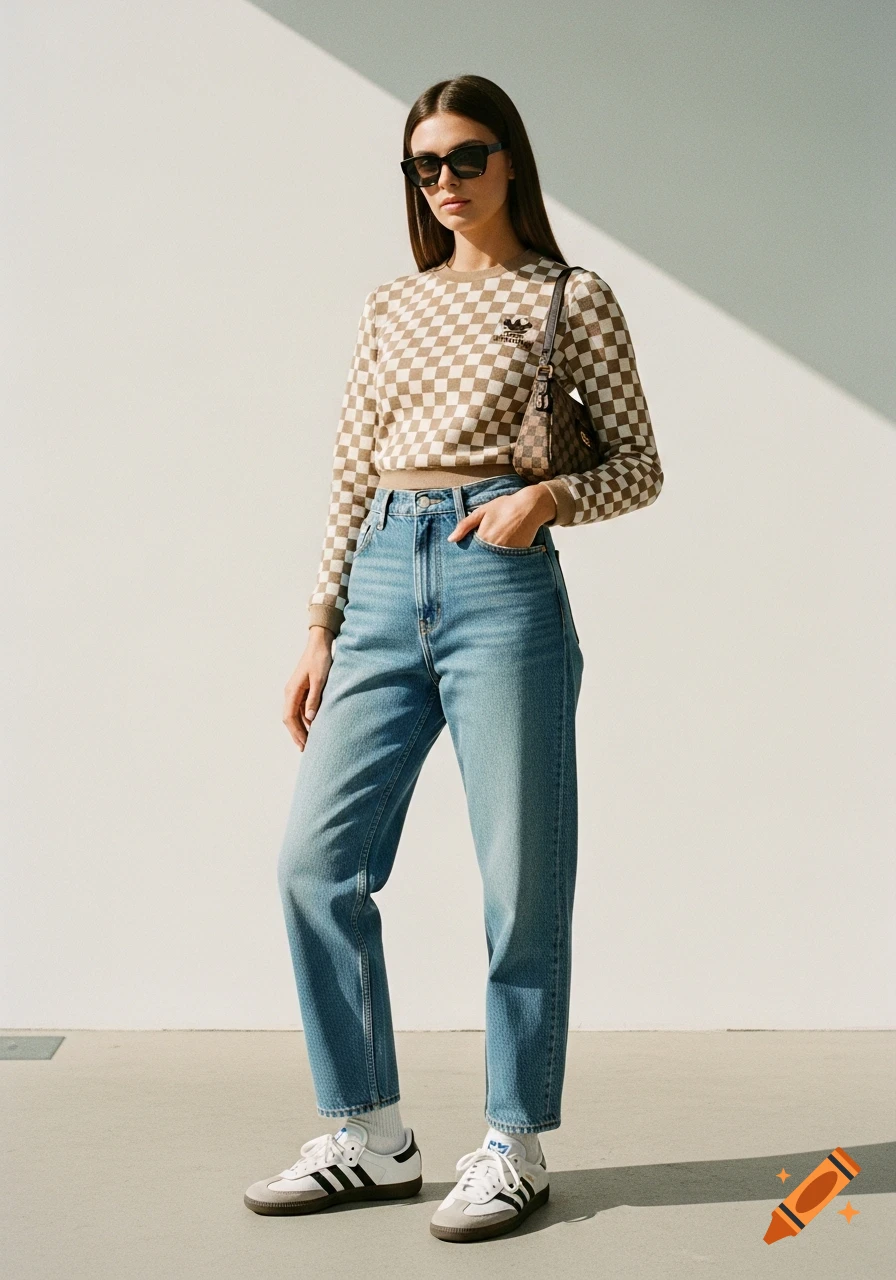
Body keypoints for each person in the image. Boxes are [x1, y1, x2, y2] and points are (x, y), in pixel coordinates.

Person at [245, 74, 663, 1242]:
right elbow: (347, 462)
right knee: (311, 862)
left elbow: (640, 463)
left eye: (465, 157)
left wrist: (546, 498)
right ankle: (369, 1132)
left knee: (519, 876)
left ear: (511, 161)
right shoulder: (392, 302)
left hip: (499, 580)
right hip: (382, 572)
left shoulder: (569, 296)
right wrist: (320, 620)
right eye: (423, 166)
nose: (445, 182)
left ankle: (514, 1139)